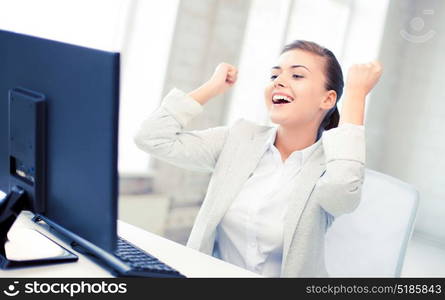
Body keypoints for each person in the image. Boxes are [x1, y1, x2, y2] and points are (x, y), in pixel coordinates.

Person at [134, 40, 383, 277]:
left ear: (328, 99)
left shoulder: (332, 165)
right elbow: (151, 138)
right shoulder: (240, 138)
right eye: (275, 75)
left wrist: (355, 95)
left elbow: (343, 194)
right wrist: (212, 87)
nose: (279, 82)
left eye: (297, 75)